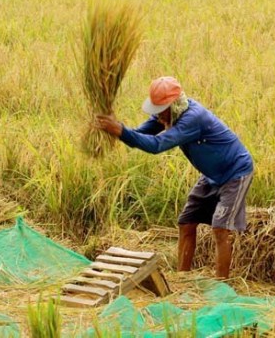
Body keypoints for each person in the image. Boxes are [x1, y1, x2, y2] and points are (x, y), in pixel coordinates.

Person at [96, 76, 253, 278]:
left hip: (235, 172)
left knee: (221, 229)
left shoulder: (192, 119)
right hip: (211, 174)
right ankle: (182, 279)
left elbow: (156, 145)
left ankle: (221, 285)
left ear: (173, 105)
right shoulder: (168, 114)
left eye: (161, 111)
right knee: (186, 222)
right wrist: (116, 129)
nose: (158, 117)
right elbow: (138, 134)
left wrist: (121, 131)